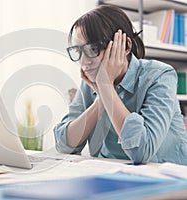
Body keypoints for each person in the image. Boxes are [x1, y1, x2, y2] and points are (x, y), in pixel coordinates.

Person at [54, 4, 187, 165]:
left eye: (93, 48)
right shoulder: (92, 82)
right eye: (78, 51)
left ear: (126, 46)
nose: (83, 61)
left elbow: (141, 152)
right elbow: (64, 145)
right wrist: (102, 99)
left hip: (167, 179)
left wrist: (106, 87)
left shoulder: (159, 76)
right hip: (112, 175)